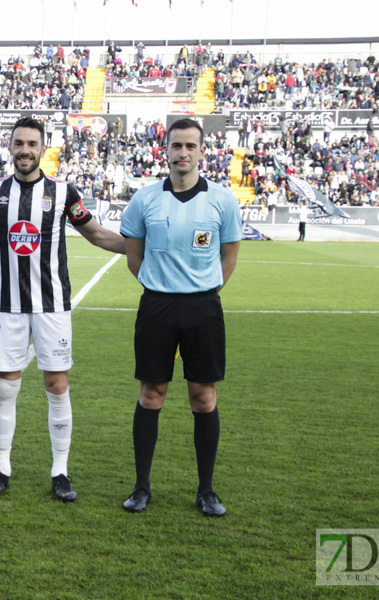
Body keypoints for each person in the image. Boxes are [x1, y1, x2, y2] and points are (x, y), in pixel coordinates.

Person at [0, 117, 125, 502]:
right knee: (6, 387)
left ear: (43, 147)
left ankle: (60, 472)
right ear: (9, 146)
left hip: (53, 306)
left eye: (32, 143)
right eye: (19, 143)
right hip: (7, 306)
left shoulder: (64, 192)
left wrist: (140, 248)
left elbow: (97, 233)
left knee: (56, 385)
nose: (25, 150)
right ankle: (2, 468)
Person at [119, 118, 241, 517]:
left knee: (203, 397)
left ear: (202, 151)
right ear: (166, 150)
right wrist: (160, 287)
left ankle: (206, 490)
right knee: (151, 394)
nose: (183, 153)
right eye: (176, 146)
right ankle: (141, 487)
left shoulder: (222, 201)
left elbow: (230, 258)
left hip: (203, 307)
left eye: (191, 146)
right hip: (157, 305)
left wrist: (202, 292)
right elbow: (133, 256)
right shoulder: (145, 199)